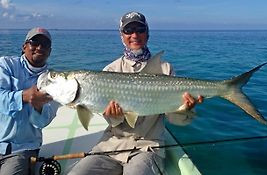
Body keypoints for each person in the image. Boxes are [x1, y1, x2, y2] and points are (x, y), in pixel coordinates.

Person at [68, 12, 203, 175]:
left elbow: (175, 120)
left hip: (148, 147)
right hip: (110, 147)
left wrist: (184, 109)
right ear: (121, 36)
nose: (134, 35)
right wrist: (115, 116)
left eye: (140, 29)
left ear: (147, 33)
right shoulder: (110, 70)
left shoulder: (165, 69)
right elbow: (111, 121)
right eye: (128, 30)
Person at [0, 27, 60, 175]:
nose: (39, 47)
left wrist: (38, 107)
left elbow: (41, 122)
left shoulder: (54, 80)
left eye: (44, 44)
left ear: (49, 51)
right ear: (24, 46)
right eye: (34, 42)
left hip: (23, 149)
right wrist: (23, 96)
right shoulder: (6, 65)